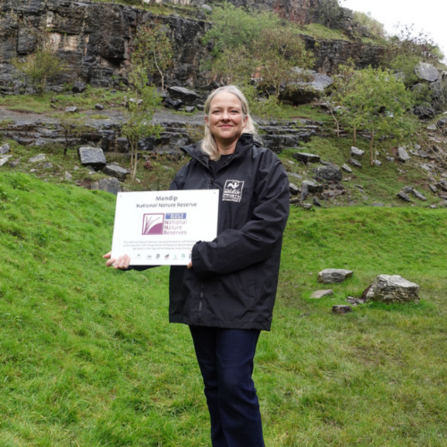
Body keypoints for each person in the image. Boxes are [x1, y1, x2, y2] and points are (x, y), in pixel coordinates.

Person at [104, 85, 290, 446]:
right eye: (217, 111)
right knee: (216, 387)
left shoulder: (266, 166)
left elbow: (265, 231)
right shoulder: (190, 171)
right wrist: (132, 255)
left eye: (233, 111)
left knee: (235, 385)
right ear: (206, 120)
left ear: (245, 118)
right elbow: (164, 232)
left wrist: (205, 255)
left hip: (242, 296)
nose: (225, 117)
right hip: (199, 297)